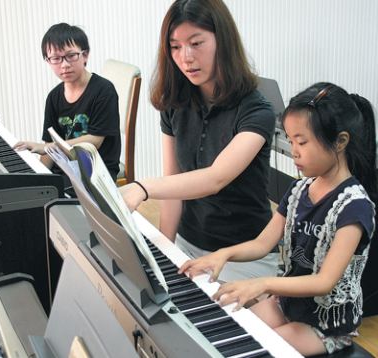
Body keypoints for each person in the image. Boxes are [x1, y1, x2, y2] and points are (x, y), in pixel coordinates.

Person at [179, 82, 377, 356]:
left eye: (302, 141)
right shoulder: (299, 191)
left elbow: (324, 282)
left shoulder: (354, 207)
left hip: (325, 324)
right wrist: (222, 254)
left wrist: (263, 284)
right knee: (232, 331)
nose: (293, 150)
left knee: (254, 349)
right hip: (289, 303)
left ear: (340, 141)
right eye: (290, 140)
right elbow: (262, 243)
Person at [120, 0, 278, 282]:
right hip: (188, 244)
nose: (186, 57)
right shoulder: (175, 103)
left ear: (223, 41)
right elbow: (174, 184)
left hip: (241, 254)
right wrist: (166, 252)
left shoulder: (257, 110)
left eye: (196, 43)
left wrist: (143, 187)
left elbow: (215, 178)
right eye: (176, 46)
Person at [14, 22, 121, 185]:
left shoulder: (104, 90)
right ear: (48, 61)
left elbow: (94, 141)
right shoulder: (54, 97)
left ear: (85, 55)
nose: (64, 64)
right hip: (65, 172)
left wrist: (48, 147)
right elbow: (48, 148)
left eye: (71, 56)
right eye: (56, 58)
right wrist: (40, 177)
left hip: (96, 175)